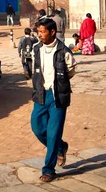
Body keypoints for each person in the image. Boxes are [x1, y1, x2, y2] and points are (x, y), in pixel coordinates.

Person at [31, 17, 76, 182]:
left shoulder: (64, 51)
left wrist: (59, 83)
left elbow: (71, 71)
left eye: (42, 32)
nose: (40, 35)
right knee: (37, 127)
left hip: (58, 97)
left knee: (53, 133)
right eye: (38, 32)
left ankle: (49, 169)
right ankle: (61, 147)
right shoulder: (36, 49)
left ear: (52, 32)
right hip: (41, 95)